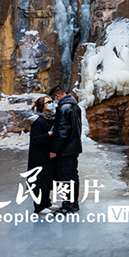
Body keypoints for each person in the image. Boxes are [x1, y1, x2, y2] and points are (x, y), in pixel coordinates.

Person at [48, 85, 82, 213]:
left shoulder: (63, 108)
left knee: (64, 178)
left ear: (57, 95)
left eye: (54, 99)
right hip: (74, 148)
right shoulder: (75, 106)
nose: (54, 102)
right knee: (73, 176)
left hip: (65, 150)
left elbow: (61, 133)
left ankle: (67, 205)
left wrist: (54, 150)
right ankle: (74, 203)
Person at [28, 95, 56, 214]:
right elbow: (35, 139)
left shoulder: (50, 119)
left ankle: (46, 202)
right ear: (42, 106)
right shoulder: (39, 122)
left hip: (47, 155)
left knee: (47, 179)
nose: (51, 103)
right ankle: (39, 206)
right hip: (38, 156)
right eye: (48, 102)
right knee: (39, 181)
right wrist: (48, 135)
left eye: (51, 101)